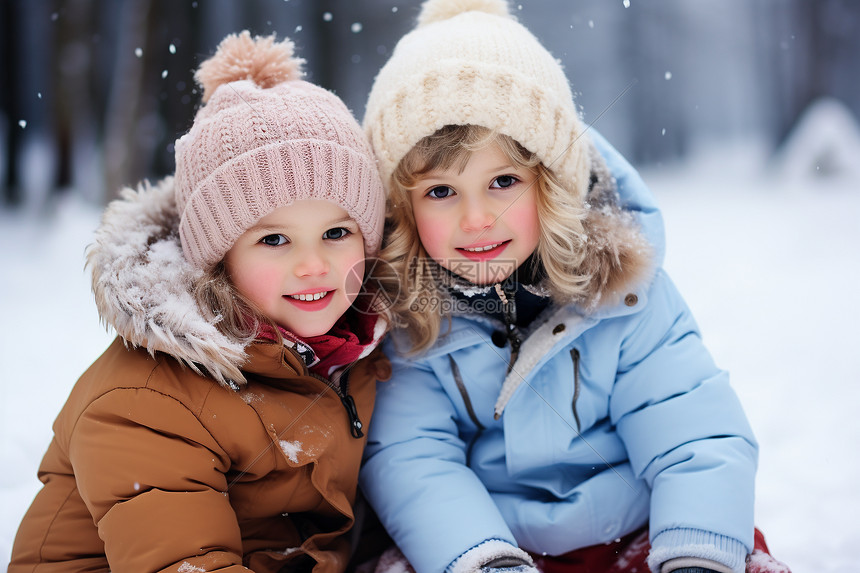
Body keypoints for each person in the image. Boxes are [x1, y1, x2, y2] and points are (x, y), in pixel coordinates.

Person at [357, 2, 791, 573]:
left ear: (553, 187)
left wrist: (695, 547)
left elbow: (695, 430)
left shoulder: (627, 295)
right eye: (441, 192)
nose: (478, 218)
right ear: (402, 210)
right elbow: (412, 459)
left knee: (731, 552)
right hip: (491, 538)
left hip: (639, 527)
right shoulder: (412, 321)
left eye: (504, 181)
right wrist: (478, 556)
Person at [9, 31, 392, 573]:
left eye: (336, 232)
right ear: (216, 258)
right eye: (274, 240)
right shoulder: (148, 402)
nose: (314, 265)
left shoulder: (350, 350)